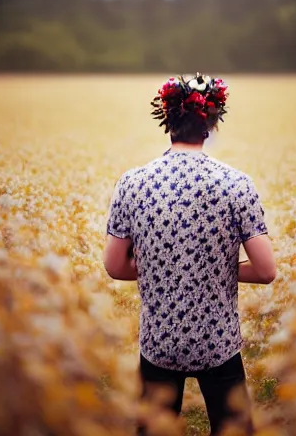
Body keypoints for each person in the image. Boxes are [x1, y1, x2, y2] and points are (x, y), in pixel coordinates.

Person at [103, 73, 277, 436]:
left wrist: (160, 265)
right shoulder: (236, 183)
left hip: (159, 340)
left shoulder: (132, 183)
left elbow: (115, 265)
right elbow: (265, 270)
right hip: (219, 341)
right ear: (211, 125)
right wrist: (215, 267)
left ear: (167, 122)